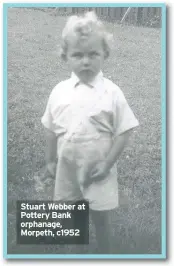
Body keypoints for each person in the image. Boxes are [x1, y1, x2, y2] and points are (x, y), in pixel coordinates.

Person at [41, 11, 139, 254]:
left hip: (99, 172)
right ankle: (75, 255)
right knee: (74, 223)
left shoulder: (112, 93)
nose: (86, 61)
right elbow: (50, 129)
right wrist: (50, 161)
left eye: (93, 54)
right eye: (78, 55)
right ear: (66, 57)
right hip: (68, 171)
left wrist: (106, 164)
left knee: (101, 220)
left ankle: (106, 254)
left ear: (105, 54)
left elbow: (124, 131)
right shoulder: (59, 92)